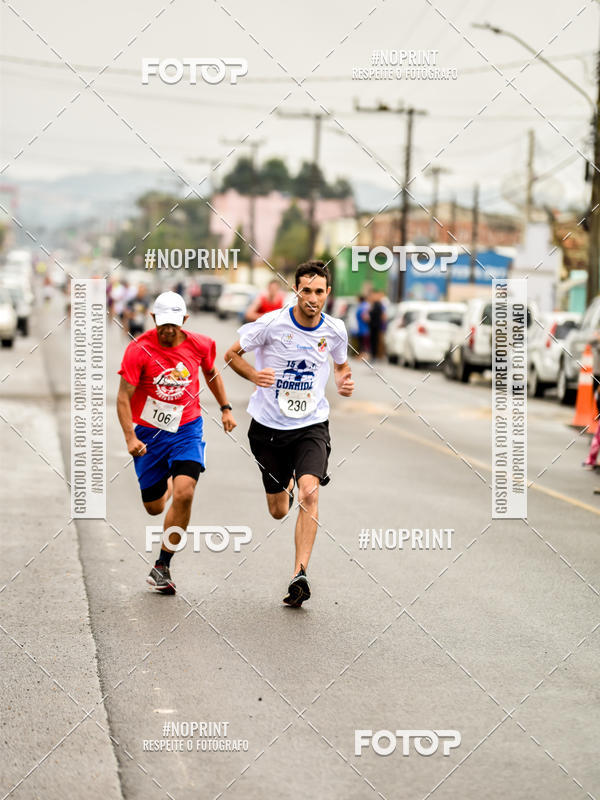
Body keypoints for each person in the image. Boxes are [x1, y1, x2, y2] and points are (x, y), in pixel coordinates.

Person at [225, 261, 354, 608]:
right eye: (305, 290)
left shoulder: (336, 330)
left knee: (309, 494)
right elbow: (231, 354)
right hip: (267, 429)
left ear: (328, 293)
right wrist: (254, 375)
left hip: (311, 426)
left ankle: (300, 574)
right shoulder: (271, 324)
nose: (312, 298)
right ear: (295, 290)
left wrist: (342, 380)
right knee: (279, 509)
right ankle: (286, 485)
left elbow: (341, 364)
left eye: (319, 291)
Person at [116, 291, 236, 594]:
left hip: (186, 429)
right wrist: (130, 436)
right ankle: (166, 480)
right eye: (162, 324)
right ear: (153, 319)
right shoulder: (138, 349)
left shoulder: (201, 344)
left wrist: (225, 408)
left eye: (174, 324)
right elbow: (123, 397)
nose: (168, 330)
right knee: (154, 507)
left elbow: (211, 374)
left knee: (185, 493)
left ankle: (162, 565)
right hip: (149, 435)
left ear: (184, 320)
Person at [368, 289, 387, 361]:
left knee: (376, 341)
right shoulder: (374, 304)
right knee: (374, 341)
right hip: (373, 325)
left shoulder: (378, 304)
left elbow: (383, 316)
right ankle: (374, 355)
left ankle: (376, 356)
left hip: (376, 325)